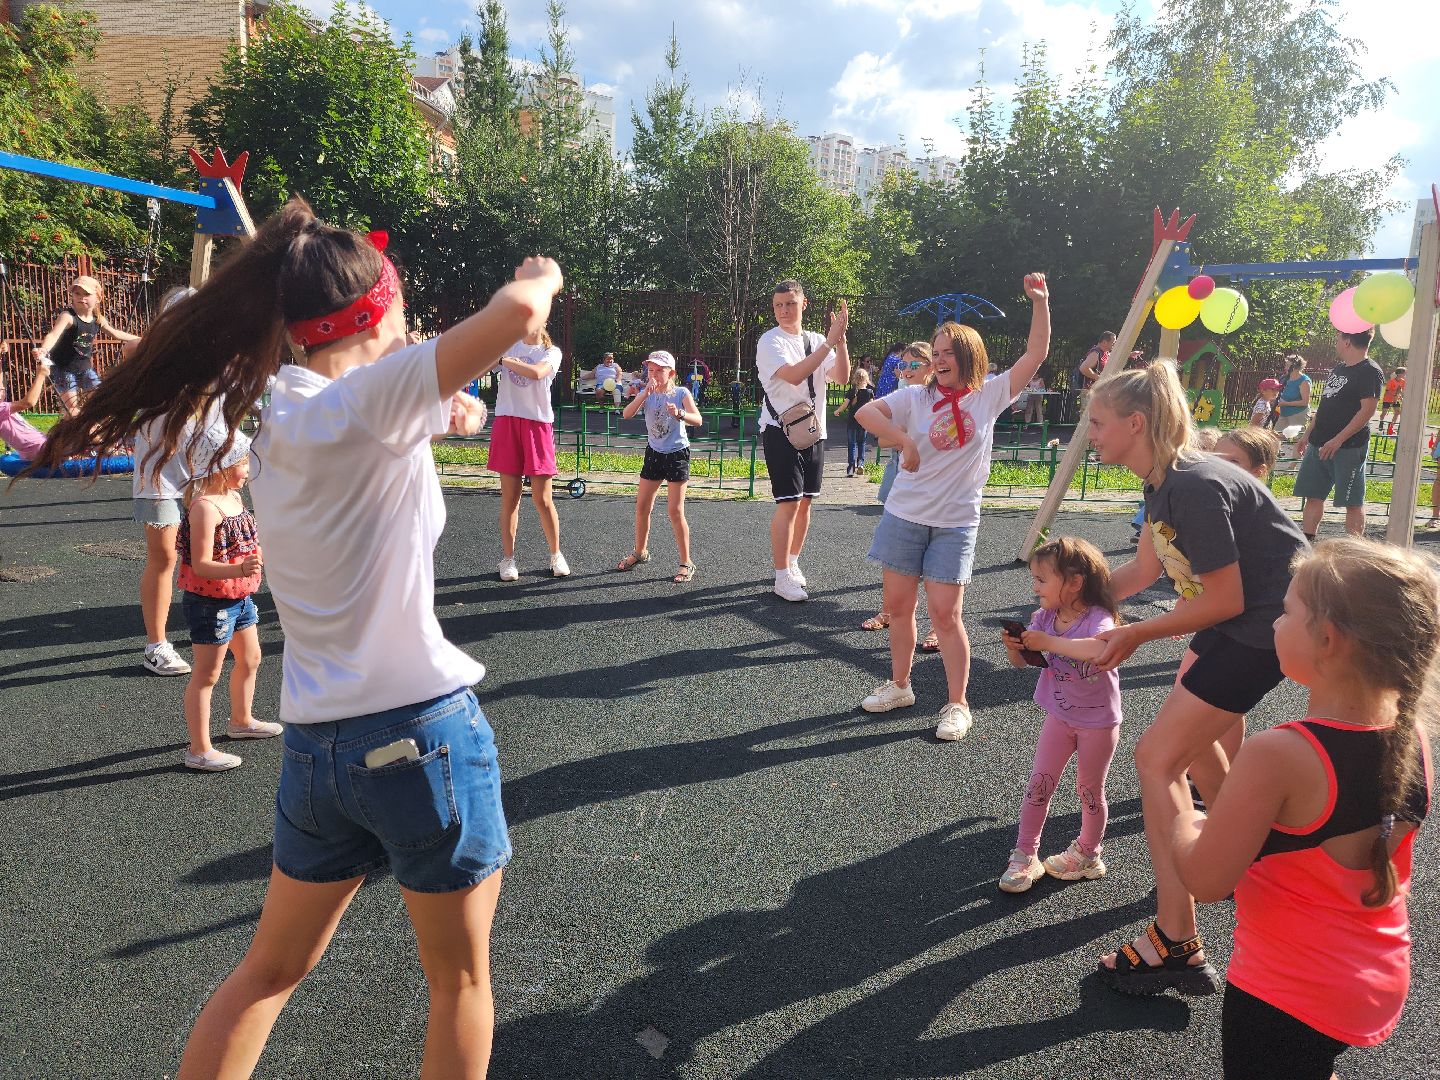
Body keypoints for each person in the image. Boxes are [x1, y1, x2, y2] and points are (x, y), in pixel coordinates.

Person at [32, 199, 564, 1076]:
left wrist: (449, 411)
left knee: (269, 973)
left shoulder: (290, 409)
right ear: (376, 313)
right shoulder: (363, 404)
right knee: (460, 982)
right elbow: (517, 315)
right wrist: (540, 275)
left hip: (320, 750)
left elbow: (406, 417)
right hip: (419, 733)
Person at [1166, 538, 1434, 1080]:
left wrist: (1182, 814)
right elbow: (1283, 826)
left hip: (1288, 992)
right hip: (1371, 973)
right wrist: (1196, 752)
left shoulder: (1282, 753)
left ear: (1328, 639)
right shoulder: (1412, 737)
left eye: (1286, 613)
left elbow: (1206, 877)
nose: (1273, 625)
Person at [1084, 361, 1307, 997]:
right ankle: (1263, 860)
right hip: (1241, 629)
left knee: (1156, 759)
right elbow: (1142, 575)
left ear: (1134, 424)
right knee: (1198, 750)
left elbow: (1227, 599)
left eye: (1098, 423)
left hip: (1264, 630)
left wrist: (1132, 635)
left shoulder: (1195, 486)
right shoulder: (1163, 484)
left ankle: (1174, 937)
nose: (1090, 434)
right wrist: (1071, 603)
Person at [855, 274, 1050, 739]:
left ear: (968, 357)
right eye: (935, 353)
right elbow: (864, 413)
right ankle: (900, 684)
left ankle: (958, 703)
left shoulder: (989, 395)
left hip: (955, 523)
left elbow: (1036, 354)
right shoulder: (916, 397)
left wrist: (1040, 304)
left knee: (946, 615)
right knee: (898, 608)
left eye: (947, 353)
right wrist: (903, 441)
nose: (939, 360)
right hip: (904, 515)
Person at [998, 537, 1124, 893]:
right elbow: (1023, 663)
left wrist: (1048, 643)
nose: (1034, 586)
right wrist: (1017, 649)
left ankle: (1088, 853)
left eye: (1041, 579)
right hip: (1059, 716)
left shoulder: (1098, 618)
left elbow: (1098, 649)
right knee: (1040, 782)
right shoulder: (1044, 617)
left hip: (1098, 722)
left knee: (1089, 790)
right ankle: (1024, 854)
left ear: (1073, 582)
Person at [175, 430, 277, 771]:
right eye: (243, 462)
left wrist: (259, 556)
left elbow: (247, 539)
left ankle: (241, 720)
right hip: (211, 603)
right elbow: (201, 564)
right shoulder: (205, 507)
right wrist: (240, 566)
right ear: (220, 466)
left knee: (251, 658)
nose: (248, 469)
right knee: (207, 673)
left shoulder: (234, 497)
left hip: (240, 597)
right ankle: (199, 749)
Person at [755, 280, 849, 602]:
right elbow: (794, 375)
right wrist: (829, 344)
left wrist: (841, 341)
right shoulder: (769, 341)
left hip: (813, 430)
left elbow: (841, 377)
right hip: (780, 430)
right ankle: (781, 576)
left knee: (807, 500)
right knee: (788, 502)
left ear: (803, 304)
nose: (784, 310)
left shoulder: (817, 340)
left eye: (790, 304)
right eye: (779, 304)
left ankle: (793, 563)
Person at [861, 342, 935, 641]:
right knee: (895, 548)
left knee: (938, 554)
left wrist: (905, 438)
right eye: (902, 365)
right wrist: (906, 439)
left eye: (914, 365)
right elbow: (880, 440)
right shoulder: (900, 397)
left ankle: (937, 624)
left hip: (935, 482)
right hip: (901, 473)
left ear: (930, 366)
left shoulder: (939, 397)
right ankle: (889, 611)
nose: (906, 370)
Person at [615, 350, 702, 582]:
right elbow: (626, 414)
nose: (654, 374)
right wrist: (644, 394)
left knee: (675, 510)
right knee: (642, 506)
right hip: (654, 453)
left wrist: (681, 414)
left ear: (671, 373)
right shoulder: (647, 393)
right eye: (650, 370)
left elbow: (698, 419)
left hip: (677, 454)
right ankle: (640, 552)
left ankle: (686, 563)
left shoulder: (681, 392)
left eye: (659, 371)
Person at [492, 326, 570, 580]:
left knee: (543, 499)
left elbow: (537, 373)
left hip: (537, 425)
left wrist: (504, 360)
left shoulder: (551, 352)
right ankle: (508, 560)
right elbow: (480, 366)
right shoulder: (507, 344)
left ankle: (556, 555)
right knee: (510, 499)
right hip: (508, 420)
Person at [1294, 329, 1384, 540]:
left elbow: (1367, 411)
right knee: (1313, 496)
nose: (1335, 342)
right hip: (1319, 442)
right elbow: (1325, 404)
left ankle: (1354, 549)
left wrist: (1338, 440)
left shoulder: (1370, 371)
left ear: (1347, 342)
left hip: (1349, 447)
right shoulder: (1339, 368)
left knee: (1352, 501)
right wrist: (1307, 434)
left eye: (1338, 338)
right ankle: (1307, 542)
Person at [32, 275, 140, 416]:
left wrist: (143, 339)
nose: (81, 297)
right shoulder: (68, 316)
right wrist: (43, 349)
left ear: (98, 298)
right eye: (77, 293)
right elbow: (53, 335)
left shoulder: (98, 319)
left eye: (87, 294)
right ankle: (68, 433)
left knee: (100, 401)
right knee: (71, 409)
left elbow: (116, 334)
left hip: (84, 368)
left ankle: (90, 429)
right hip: (63, 369)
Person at [0, 356, 50, 458]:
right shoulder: (1, 409)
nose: (3, 387)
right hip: (39, 449)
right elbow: (28, 402)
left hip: (37, 447)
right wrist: (40, 375)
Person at [834, 367, 874, 477]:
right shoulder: (869, 392)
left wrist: (837, 411)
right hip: (863, 422)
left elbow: (845, 405)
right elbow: (872, 407)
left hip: (852, 421)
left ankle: (851, 468)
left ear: (855, 380)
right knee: (862, 443)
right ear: (866, 380)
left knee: (852, 444)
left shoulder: (851, 392)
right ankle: (860, 464)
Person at [1274, 354, 1311, 430]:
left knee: (1296, 439)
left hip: (1298, 414)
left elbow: (1305, 402)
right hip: (1284, 412)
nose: (1285, 368)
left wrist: (1285, 403)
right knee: (1276, 436)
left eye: (1288, 365)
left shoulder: (1304, 381)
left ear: (1295, 367)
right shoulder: (1285, 378)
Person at [1076, 331, 1116, 398]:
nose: (1114, 345)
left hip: (1096, 392)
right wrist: (1100, 378)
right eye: (1113, 342)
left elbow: (1115, 356)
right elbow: (1083, 368)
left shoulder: (1105, 353)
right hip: (1089, 392)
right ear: (1104, 342)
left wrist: (1130, 354)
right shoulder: (1095, 353)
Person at [1378, 366, 1406, 434]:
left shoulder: (1403, 381)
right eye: (1404, 373)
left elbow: (1402, 390)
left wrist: (1401, 396)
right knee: (1384, 413)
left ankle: (1391, 427)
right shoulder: (1391, 382)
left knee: (1397, 412)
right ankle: (1381, 421)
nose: (1405, 375)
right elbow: (1387, 391)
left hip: (1395, 400)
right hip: (1387, 399)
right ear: (1399, 374)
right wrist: (1394, 394)